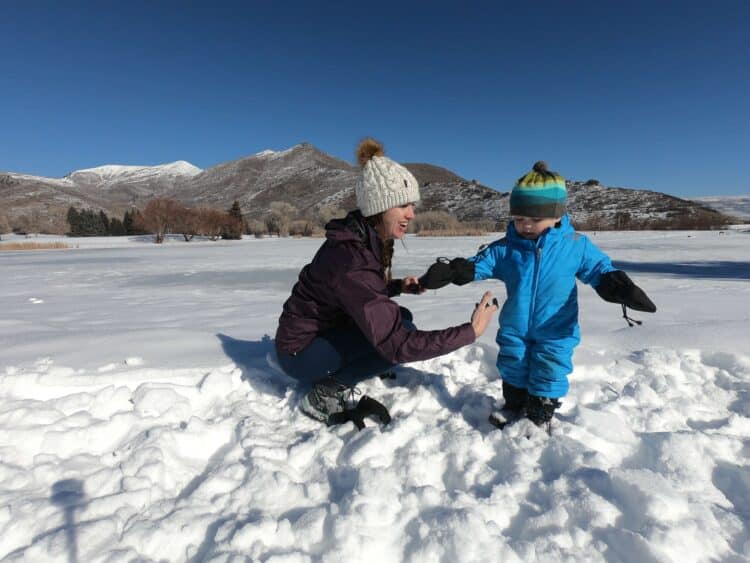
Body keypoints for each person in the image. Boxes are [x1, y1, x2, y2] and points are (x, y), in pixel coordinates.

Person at [274, 138, 499, 430]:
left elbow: (354, 294)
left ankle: (355, 366)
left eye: (412, 205)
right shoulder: (351, 259)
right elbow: (398, 345)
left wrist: (396, 287)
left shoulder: (362, 239)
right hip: (300, 354)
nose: (412, 214)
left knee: (402, 318)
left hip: (319, 334)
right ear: (379, 207)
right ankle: (324, 393)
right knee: (397, 337)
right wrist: (470, 332)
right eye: (404, 205)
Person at [419, 161, 656, 430]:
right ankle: (514, 405)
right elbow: (481, 263)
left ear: (556, 215)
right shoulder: (506, 248)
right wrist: (456, 270)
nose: (526, 226)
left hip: (556, 328)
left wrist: (618, 286)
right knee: (513, 363)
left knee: (550, 369)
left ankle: (539, 414)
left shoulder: (575, 245)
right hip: (516, 325)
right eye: (519, 219)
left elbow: (598, 269)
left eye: (534, 219)